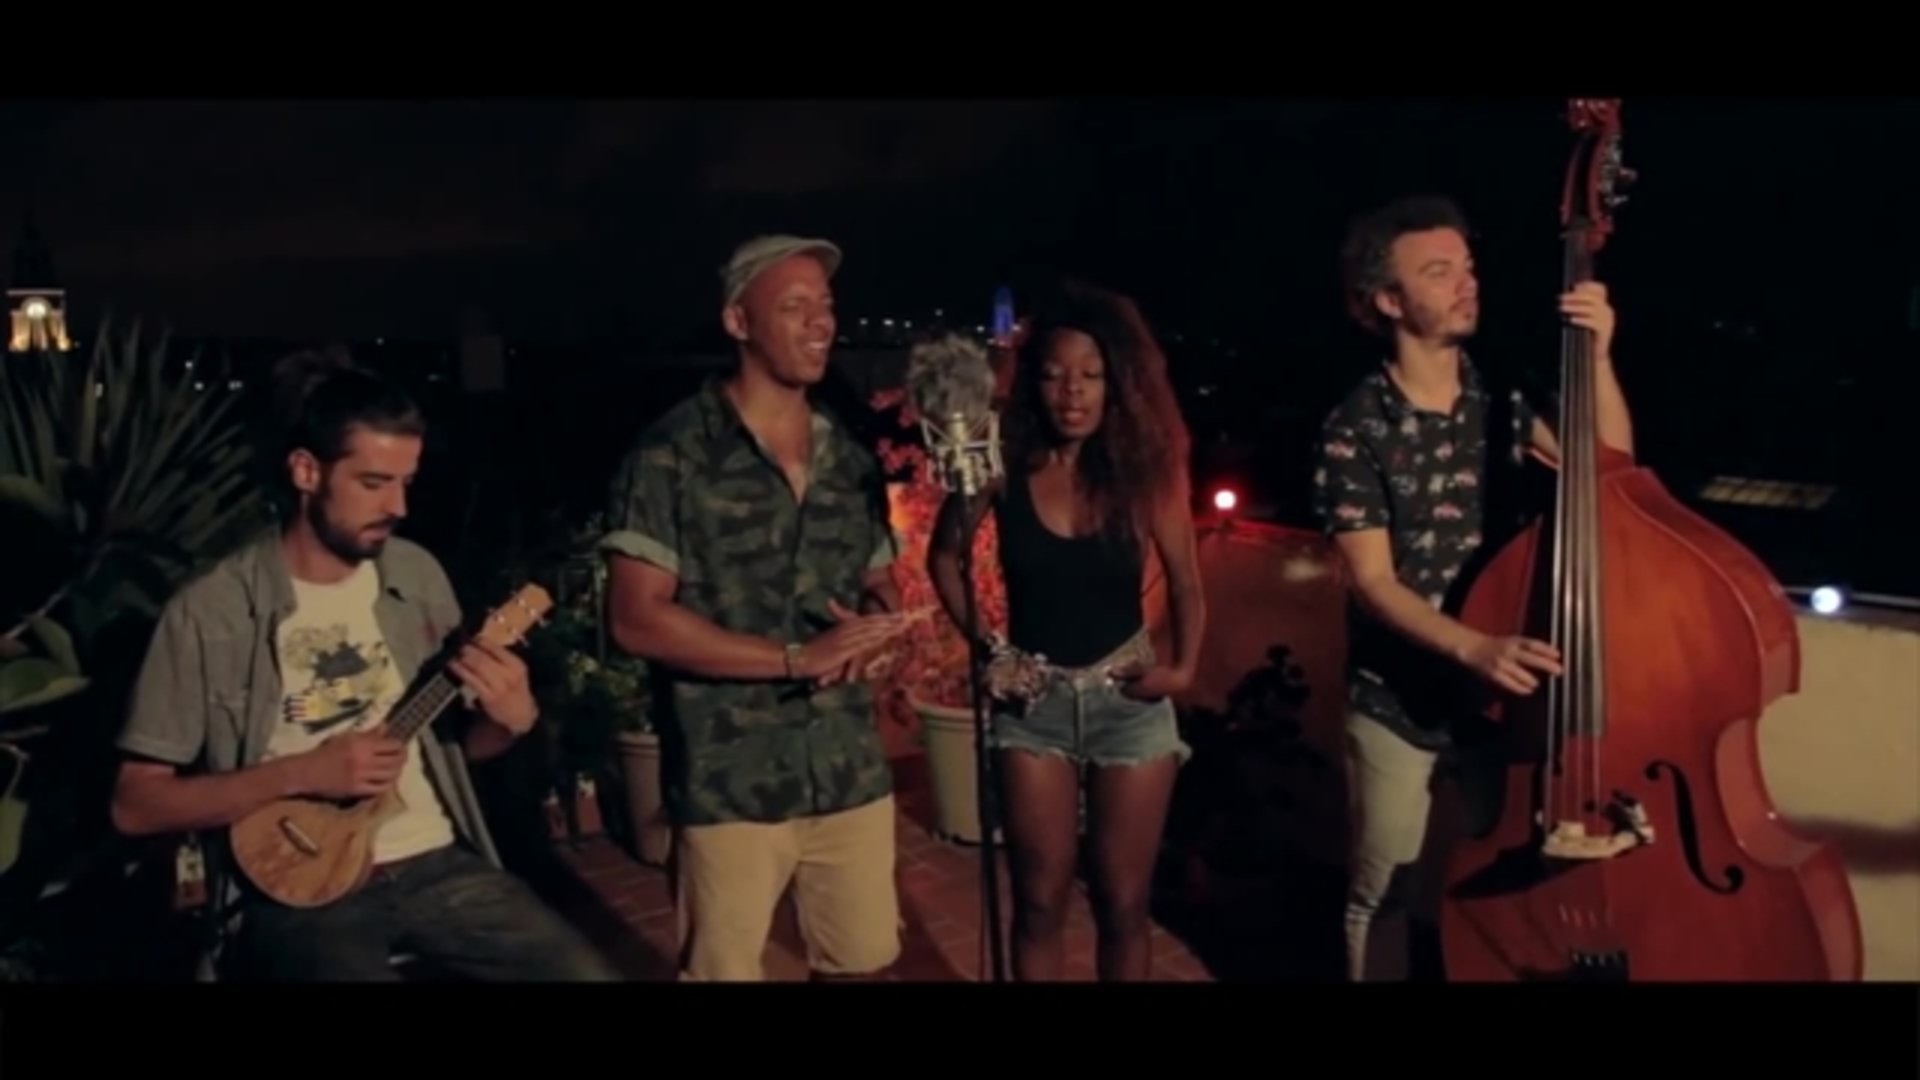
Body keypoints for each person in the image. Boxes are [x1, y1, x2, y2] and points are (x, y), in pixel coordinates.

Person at [110, 349, 619, 982]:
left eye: (407, 482)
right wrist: (305, 772)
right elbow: (137, 805)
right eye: (374, 483)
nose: (399, 506)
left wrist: (507, 721)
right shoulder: (210, 613)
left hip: (433, 862)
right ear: (306, 471)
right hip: (298, 887)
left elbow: (460, 748)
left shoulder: (417, 576)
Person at [1314, 194, 1636, 981]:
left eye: (1468, 266)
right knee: (1385, 890)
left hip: (1502, 700)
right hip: (1399, 699)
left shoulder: (1505, 400)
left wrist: (1597, 361)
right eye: (1438, 271)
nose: (1467, 283)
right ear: (1389, 301)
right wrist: (1474, 646)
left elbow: (1611, 477)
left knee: (1495, 882)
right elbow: (1372, 582)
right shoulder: (1353, 427)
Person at [600, 234, 912, 981]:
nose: (820, 323)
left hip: (847, 770)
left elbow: (880, 580)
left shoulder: (850, 460)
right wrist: (796, 659)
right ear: (738, 322)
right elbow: (636, 618)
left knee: (866, 963)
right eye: (794, 306)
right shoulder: (672, 454)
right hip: (729, 780)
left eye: (826, 306)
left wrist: (877, 627)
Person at [928, 280, 1205, 981]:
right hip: (1034, 708)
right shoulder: (1003, 464)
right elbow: (945, 559)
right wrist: (991, 649)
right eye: (1053, 375)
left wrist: (1182, 668)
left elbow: (1187, 582)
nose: (1072, 392)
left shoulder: (1146, 471)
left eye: (1090, 375)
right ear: (1034, 384)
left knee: (1123, 903)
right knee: (1039, 902)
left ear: (1118, 384)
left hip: (1127, 704)